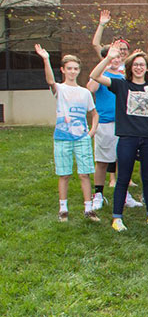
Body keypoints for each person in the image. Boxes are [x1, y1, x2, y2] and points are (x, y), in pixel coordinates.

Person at [89, 42, 148, 231]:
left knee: (147, 177)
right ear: (130, 67)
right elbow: (95, 76)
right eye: (135, 65)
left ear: (147, 68)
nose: (139, 68)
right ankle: (117, 217)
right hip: (127, 136)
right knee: (123, 176)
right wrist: (107, 59)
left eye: (142, 64)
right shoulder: (121, 84)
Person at [36, 45, 100, 222]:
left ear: (79, 71)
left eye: (76, 69)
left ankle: (89, 209)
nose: (73, 72)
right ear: (63, 70)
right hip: (62, 138)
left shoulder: (85, 92)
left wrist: (91, 132)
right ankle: (63, 209)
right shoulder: (60, 89)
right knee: (64, 174)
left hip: (82, 139)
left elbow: (95, 114)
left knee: (85, 174)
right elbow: (50, 81)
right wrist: (46, 59)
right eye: (69, 68)